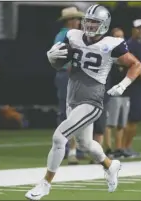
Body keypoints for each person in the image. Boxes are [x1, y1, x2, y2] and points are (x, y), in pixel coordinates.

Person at [25, 4, 141, 200]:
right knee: (86, 144)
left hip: (92, 100)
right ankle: (110, 165)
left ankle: (45, 183)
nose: (89, 26)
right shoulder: (72, 35)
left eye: (95, 22)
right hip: (73, 97)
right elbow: (57, 63)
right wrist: (51, 56)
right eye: (87, 22)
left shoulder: (112, 44)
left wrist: (123, 85)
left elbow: (135, 64)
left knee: (59, 137)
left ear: (104, 25)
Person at [54, 7, 84, 165]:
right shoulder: (66, 35)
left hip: (67, 75)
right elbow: (59, 56)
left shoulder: (64, 35)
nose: (79, 22)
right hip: (68, 75)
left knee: (67, 113)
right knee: (72, 113)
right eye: (76, 19)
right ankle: (71, 150)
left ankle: (67, 148)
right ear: (70, 20)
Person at [123, 19, 141, 157]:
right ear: (133, 30)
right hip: (134, 86)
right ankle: (125, 147)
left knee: (136, 118)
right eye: (138, 28)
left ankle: (128, 147)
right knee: (131, 118)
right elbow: (135, 67)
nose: (140, 31)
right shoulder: (131, 45)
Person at [105, 28, 132, 158]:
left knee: (122, 123)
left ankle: (119, 148)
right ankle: (108, 148)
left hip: (125, 92)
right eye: (117, 36)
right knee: (110, 123)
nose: (120, 39)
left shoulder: (126, 54)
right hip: (112, 92)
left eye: (122, 36)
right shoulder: (108, 53)